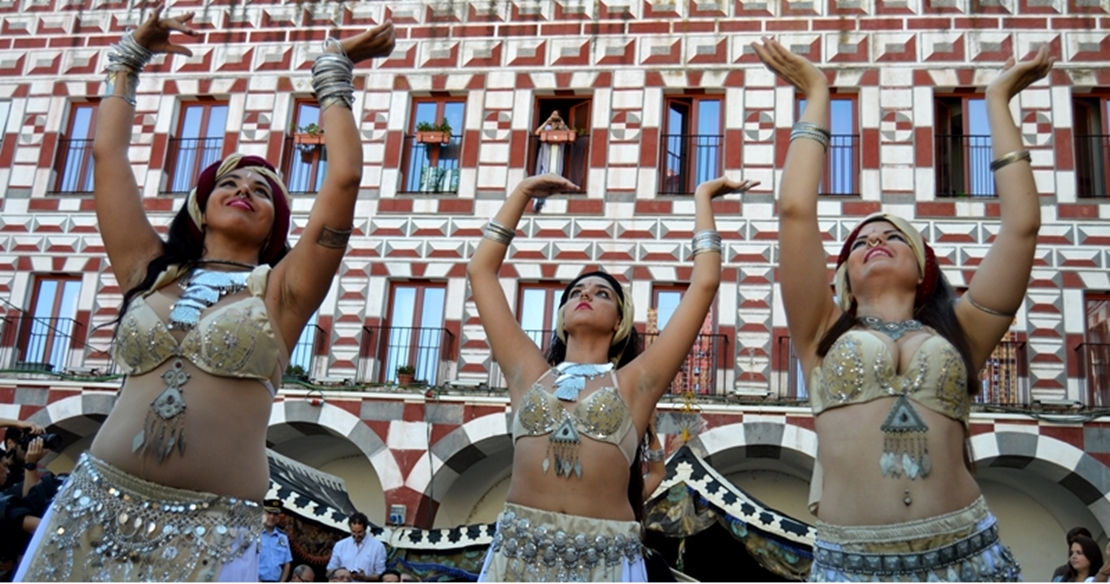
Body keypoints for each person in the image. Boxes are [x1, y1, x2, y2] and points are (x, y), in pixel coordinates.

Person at [15, 7, 395, 582]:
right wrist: (129, 58)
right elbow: (107, 159)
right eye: (230, 183)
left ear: (275, 226)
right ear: (200, 206)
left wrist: (333, 73)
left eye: (262, 191)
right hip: (93, 509)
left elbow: (343, 179)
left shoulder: (283, 292)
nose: (245, 190)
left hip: (211, 532)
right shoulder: (151, 271)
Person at [753, 35, 1053, 581]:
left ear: (923, 271)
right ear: (840, 276)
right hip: (852, 562)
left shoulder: (963, 328)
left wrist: (996, 103)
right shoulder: (818, 329)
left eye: (894, 236)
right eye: (861, 240)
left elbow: (1022, 226)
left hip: (966, 555)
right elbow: (796, 211)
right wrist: (817, 92)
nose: (875, 240)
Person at [468, 172, 755, 581]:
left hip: (604, 563)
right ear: (562, 316)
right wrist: (522, 193)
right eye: (576, 292)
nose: (585, 294)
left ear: (620, 320)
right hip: (517, 558)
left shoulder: (636, 383)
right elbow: (481, 272)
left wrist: (703, 197)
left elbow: (705, 283)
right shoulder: (528, 374)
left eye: (601, 293)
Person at [327, 512, 386, 582]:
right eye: (354, 532)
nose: (357, 535)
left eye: (360, 532)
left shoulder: (378, 547)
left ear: (365, 529)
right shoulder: (340, 545)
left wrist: (365, 578)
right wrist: (342, 574)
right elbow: (329, 570)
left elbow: (382, 575)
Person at [259, 499, 293, 582]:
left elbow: (287, 563)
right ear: (263, 513)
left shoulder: (283, 537)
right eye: (269, 513)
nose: (272, 517)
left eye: (275, 514)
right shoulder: (255, 535)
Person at [534, 111, 570, 176]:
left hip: (557, 161)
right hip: (546, 160)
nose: (555, 117)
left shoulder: (563, 128)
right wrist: (547, 122)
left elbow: (570, 136)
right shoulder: (546, 128)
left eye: (557, 115)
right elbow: (537, 133)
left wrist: (562, 125)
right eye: (553, 114)